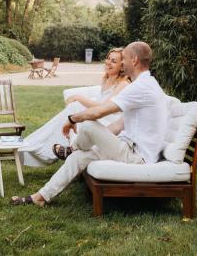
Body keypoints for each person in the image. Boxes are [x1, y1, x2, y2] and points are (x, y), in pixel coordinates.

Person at [11, 41, 168, 207]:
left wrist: (72, 119)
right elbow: (118, 125)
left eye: (125, 59)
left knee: (87, 124)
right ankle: (40, 197)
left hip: (138, 157)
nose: (122, 63)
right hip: (128, 148)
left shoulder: (141, 87)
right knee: (79, 157)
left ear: (134, 60)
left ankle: (71, 149)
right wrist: (96, 140)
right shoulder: (144, 84)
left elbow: (99, 112)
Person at [19, 48, 130, 167]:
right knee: (73, 109)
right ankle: (34, 146)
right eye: (108, 58)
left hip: (111, 124)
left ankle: (32, 145)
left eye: (113, 61)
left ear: (122, 66)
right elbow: (98, 104)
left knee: (75, 107)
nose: (108, 62)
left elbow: (104, 107)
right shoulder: (107, 79)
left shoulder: (123, 84)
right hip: (99, 118)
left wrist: (78, 97)